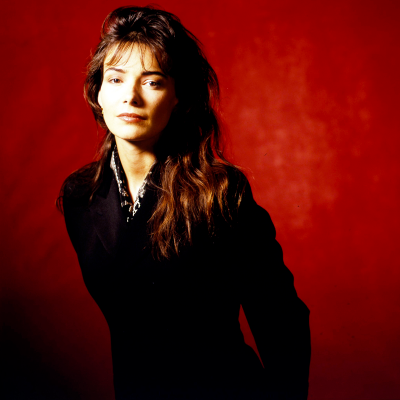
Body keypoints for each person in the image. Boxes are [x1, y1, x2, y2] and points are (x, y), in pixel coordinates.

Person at [58, 5, 311, 400]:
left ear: (177, 97)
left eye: (152, 82)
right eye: (116, 79)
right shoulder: (81, 196)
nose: (130, 97)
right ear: (98, 93)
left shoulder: (218, 192)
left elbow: (280, 315)